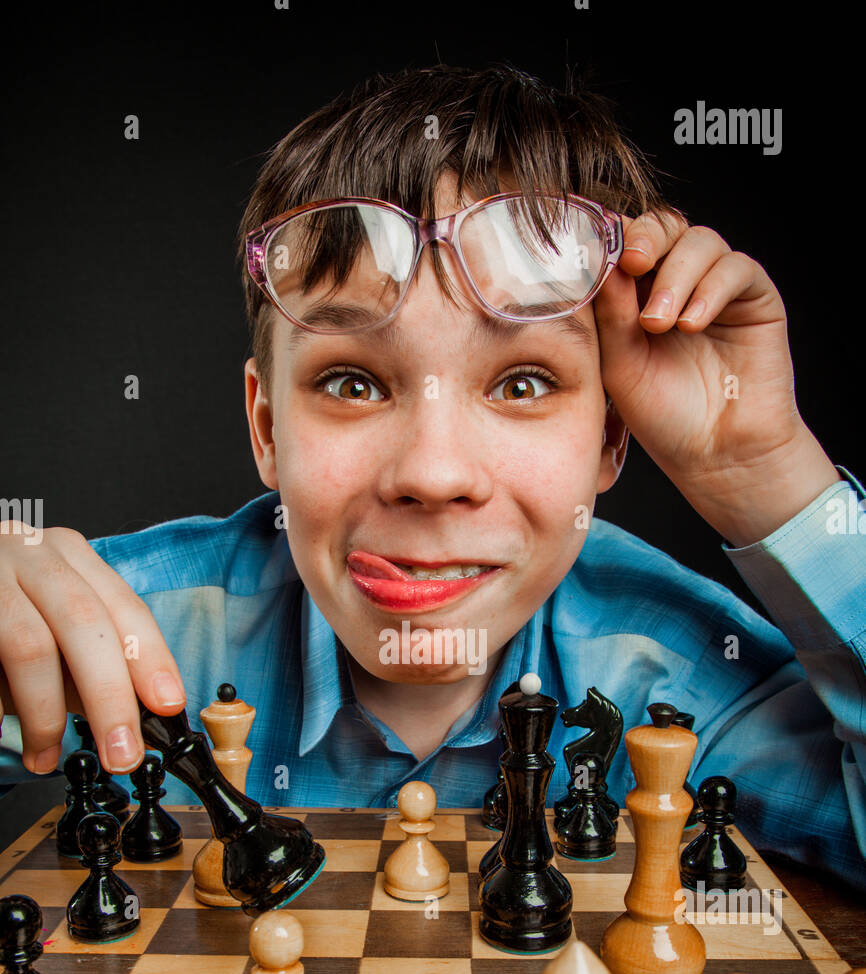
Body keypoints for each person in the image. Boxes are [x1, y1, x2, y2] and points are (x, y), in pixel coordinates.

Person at [1, 63, 864, 890]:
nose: (433, 473)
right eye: (353, 382)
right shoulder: (121, 638)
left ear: (611, 434)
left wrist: (764, 472)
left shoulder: (672, 673)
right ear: (268, 426)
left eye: (522, 383)